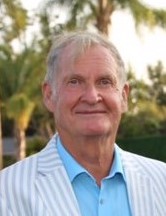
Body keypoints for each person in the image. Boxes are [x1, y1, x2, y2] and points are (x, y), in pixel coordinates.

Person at [0, 31, 166, 216]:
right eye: (74, 82)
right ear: (49, 95)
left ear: (124, 96)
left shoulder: (162, 180)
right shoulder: (7, 193)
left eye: (104, 81)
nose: (92, 97)